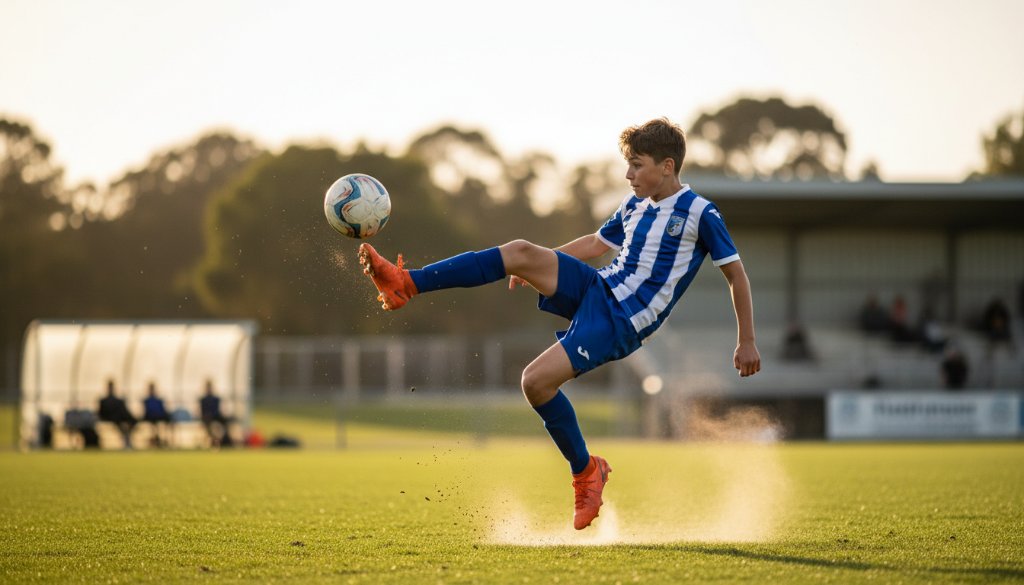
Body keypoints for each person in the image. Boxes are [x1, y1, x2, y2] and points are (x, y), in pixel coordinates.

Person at [357, 118, 761, 530]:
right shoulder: (634, 204)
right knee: (518, 250)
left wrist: (746, 340)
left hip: (623, 319)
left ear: (668, 166)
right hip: (598, 288)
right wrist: (534, 263)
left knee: (534, 382)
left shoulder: (700, 213)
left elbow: (737, 276)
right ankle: (406, 283)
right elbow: (594, 244)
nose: (628, 174)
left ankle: (587, 471)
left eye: (637, 165)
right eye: (628, 165)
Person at [98, 379, 137, 449]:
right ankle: (127, 442)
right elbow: (101, 413)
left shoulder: (118, 400)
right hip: (112, 418)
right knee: (123, 425)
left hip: (119, 418)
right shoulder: (104, 400)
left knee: (129, 422)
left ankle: (128, 438)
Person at [199, 380, 233, 447]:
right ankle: (216, 442)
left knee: (225, 423)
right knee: (211, 427)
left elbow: (219, 410)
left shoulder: (216, 399)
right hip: (208, 418)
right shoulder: (203, 399)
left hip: (216, 417)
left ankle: (226, 441)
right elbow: (202, 412)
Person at [142, 382, 172, 447]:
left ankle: (164, 439)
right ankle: (157, 439)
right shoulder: (147, 400)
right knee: (155, 425)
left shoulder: (158, 400)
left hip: (158, 416)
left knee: (166, 422)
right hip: (151, 417)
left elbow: (163, 409)